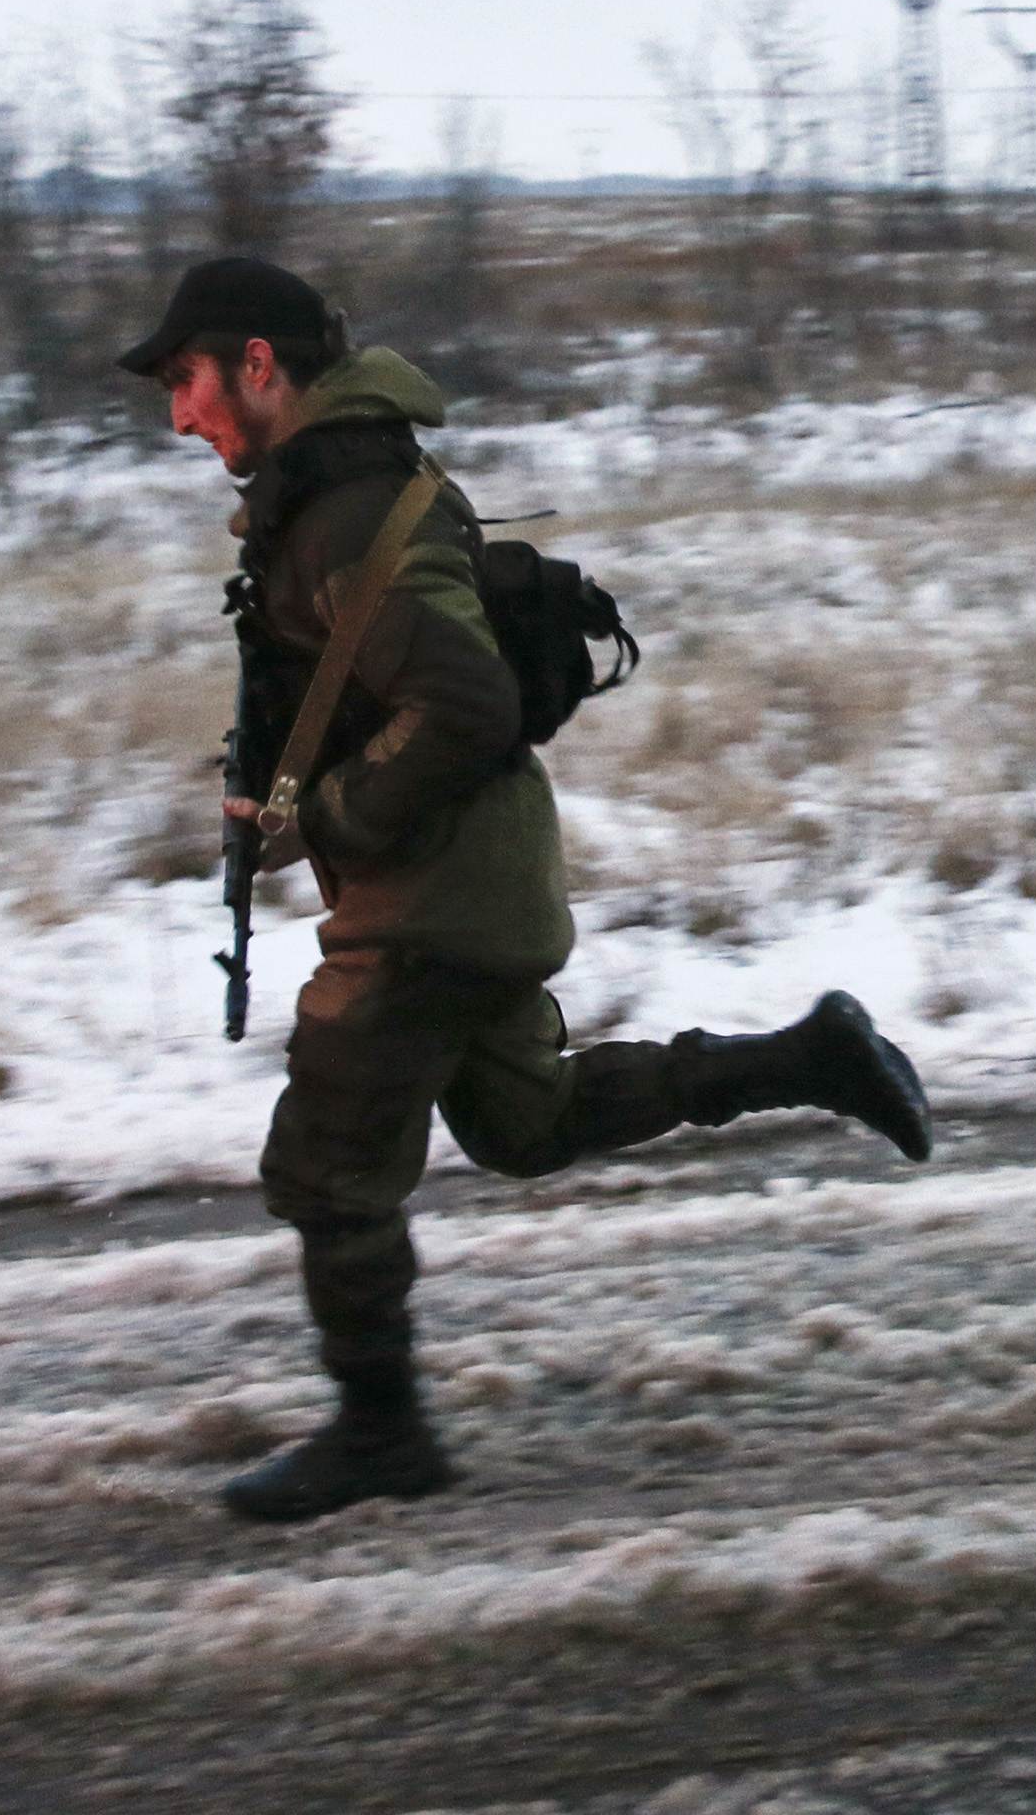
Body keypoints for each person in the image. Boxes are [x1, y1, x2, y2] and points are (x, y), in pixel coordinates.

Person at [121, 255, 933, 1524]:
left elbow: (462, 702)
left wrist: (325, 810)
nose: (180, 414)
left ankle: (382, 1434)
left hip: (431, 901)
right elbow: (377, 691)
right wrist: (288, 792)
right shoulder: (322, 497)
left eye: (189, 381)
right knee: (527, 1123)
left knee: (328, 1164)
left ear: (259, 365)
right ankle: (811, 1056)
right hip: (468, 876)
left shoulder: (341, 510)